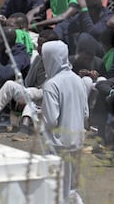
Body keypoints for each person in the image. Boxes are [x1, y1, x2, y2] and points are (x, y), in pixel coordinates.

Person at [0, 30, 59, 137]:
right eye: (39, 43)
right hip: (32, 92)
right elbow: (28, 82)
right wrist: (23, 90)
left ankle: (24, 130)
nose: (39, 47)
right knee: (10, 84)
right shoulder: (38, 58)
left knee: (31, 99)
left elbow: (50, 89)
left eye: (43, 44)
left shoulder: (59, 61)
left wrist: (28, 93)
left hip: (47, 100)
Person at [41, 40, 89, 203]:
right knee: (72, 189)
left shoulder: (51, 85)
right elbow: (85, 113)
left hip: (58, 144)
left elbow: (51, 121)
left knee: (57, 189)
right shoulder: (78, 79)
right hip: (77, 141)